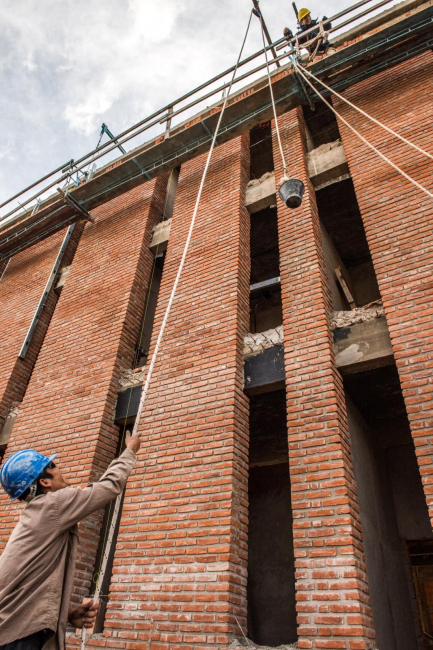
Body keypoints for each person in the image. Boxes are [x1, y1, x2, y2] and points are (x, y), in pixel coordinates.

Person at [0, 432, 140, 650]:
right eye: (53, 465)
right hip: (18, 638)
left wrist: (66, 615)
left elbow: (28, 590)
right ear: (44, 481)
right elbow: (109, 487)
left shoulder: (35, 516)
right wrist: (129, 452)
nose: (59, 467)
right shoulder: (54, 504)